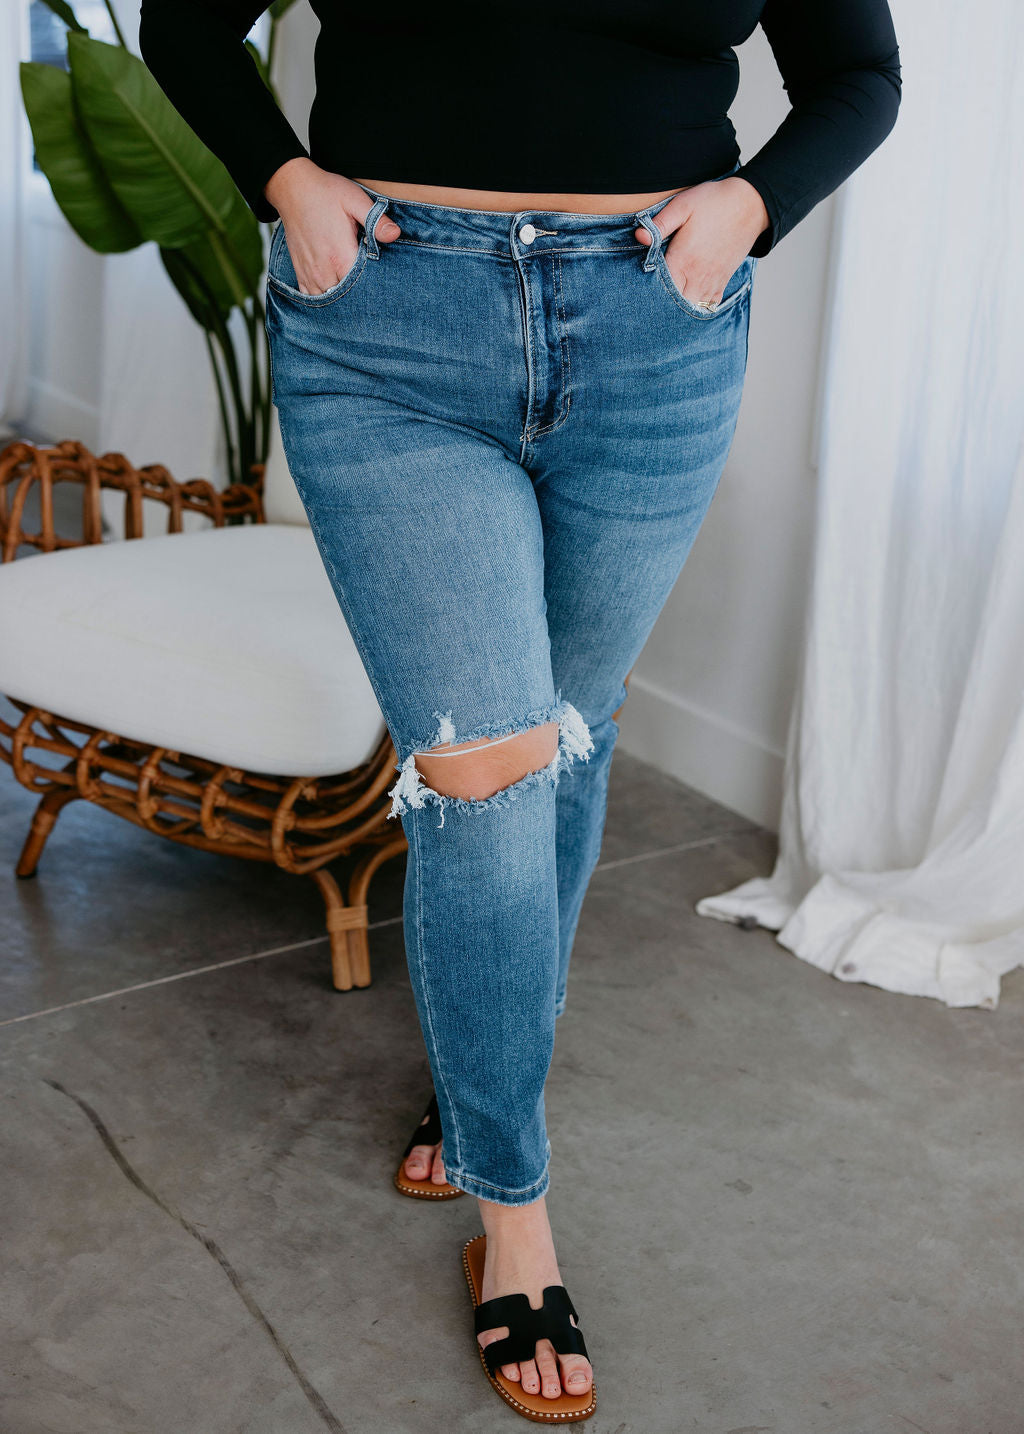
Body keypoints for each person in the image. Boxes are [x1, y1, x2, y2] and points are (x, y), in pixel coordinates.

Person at [138, 1, 901, 1420]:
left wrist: (749, 209)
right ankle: (517, 1210)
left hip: (655, 327)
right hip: (390, 330)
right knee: (483, 767)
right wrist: (286, 179)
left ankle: (480, 1065)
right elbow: (181, 20)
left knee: (569, 728)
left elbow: (860, 73)